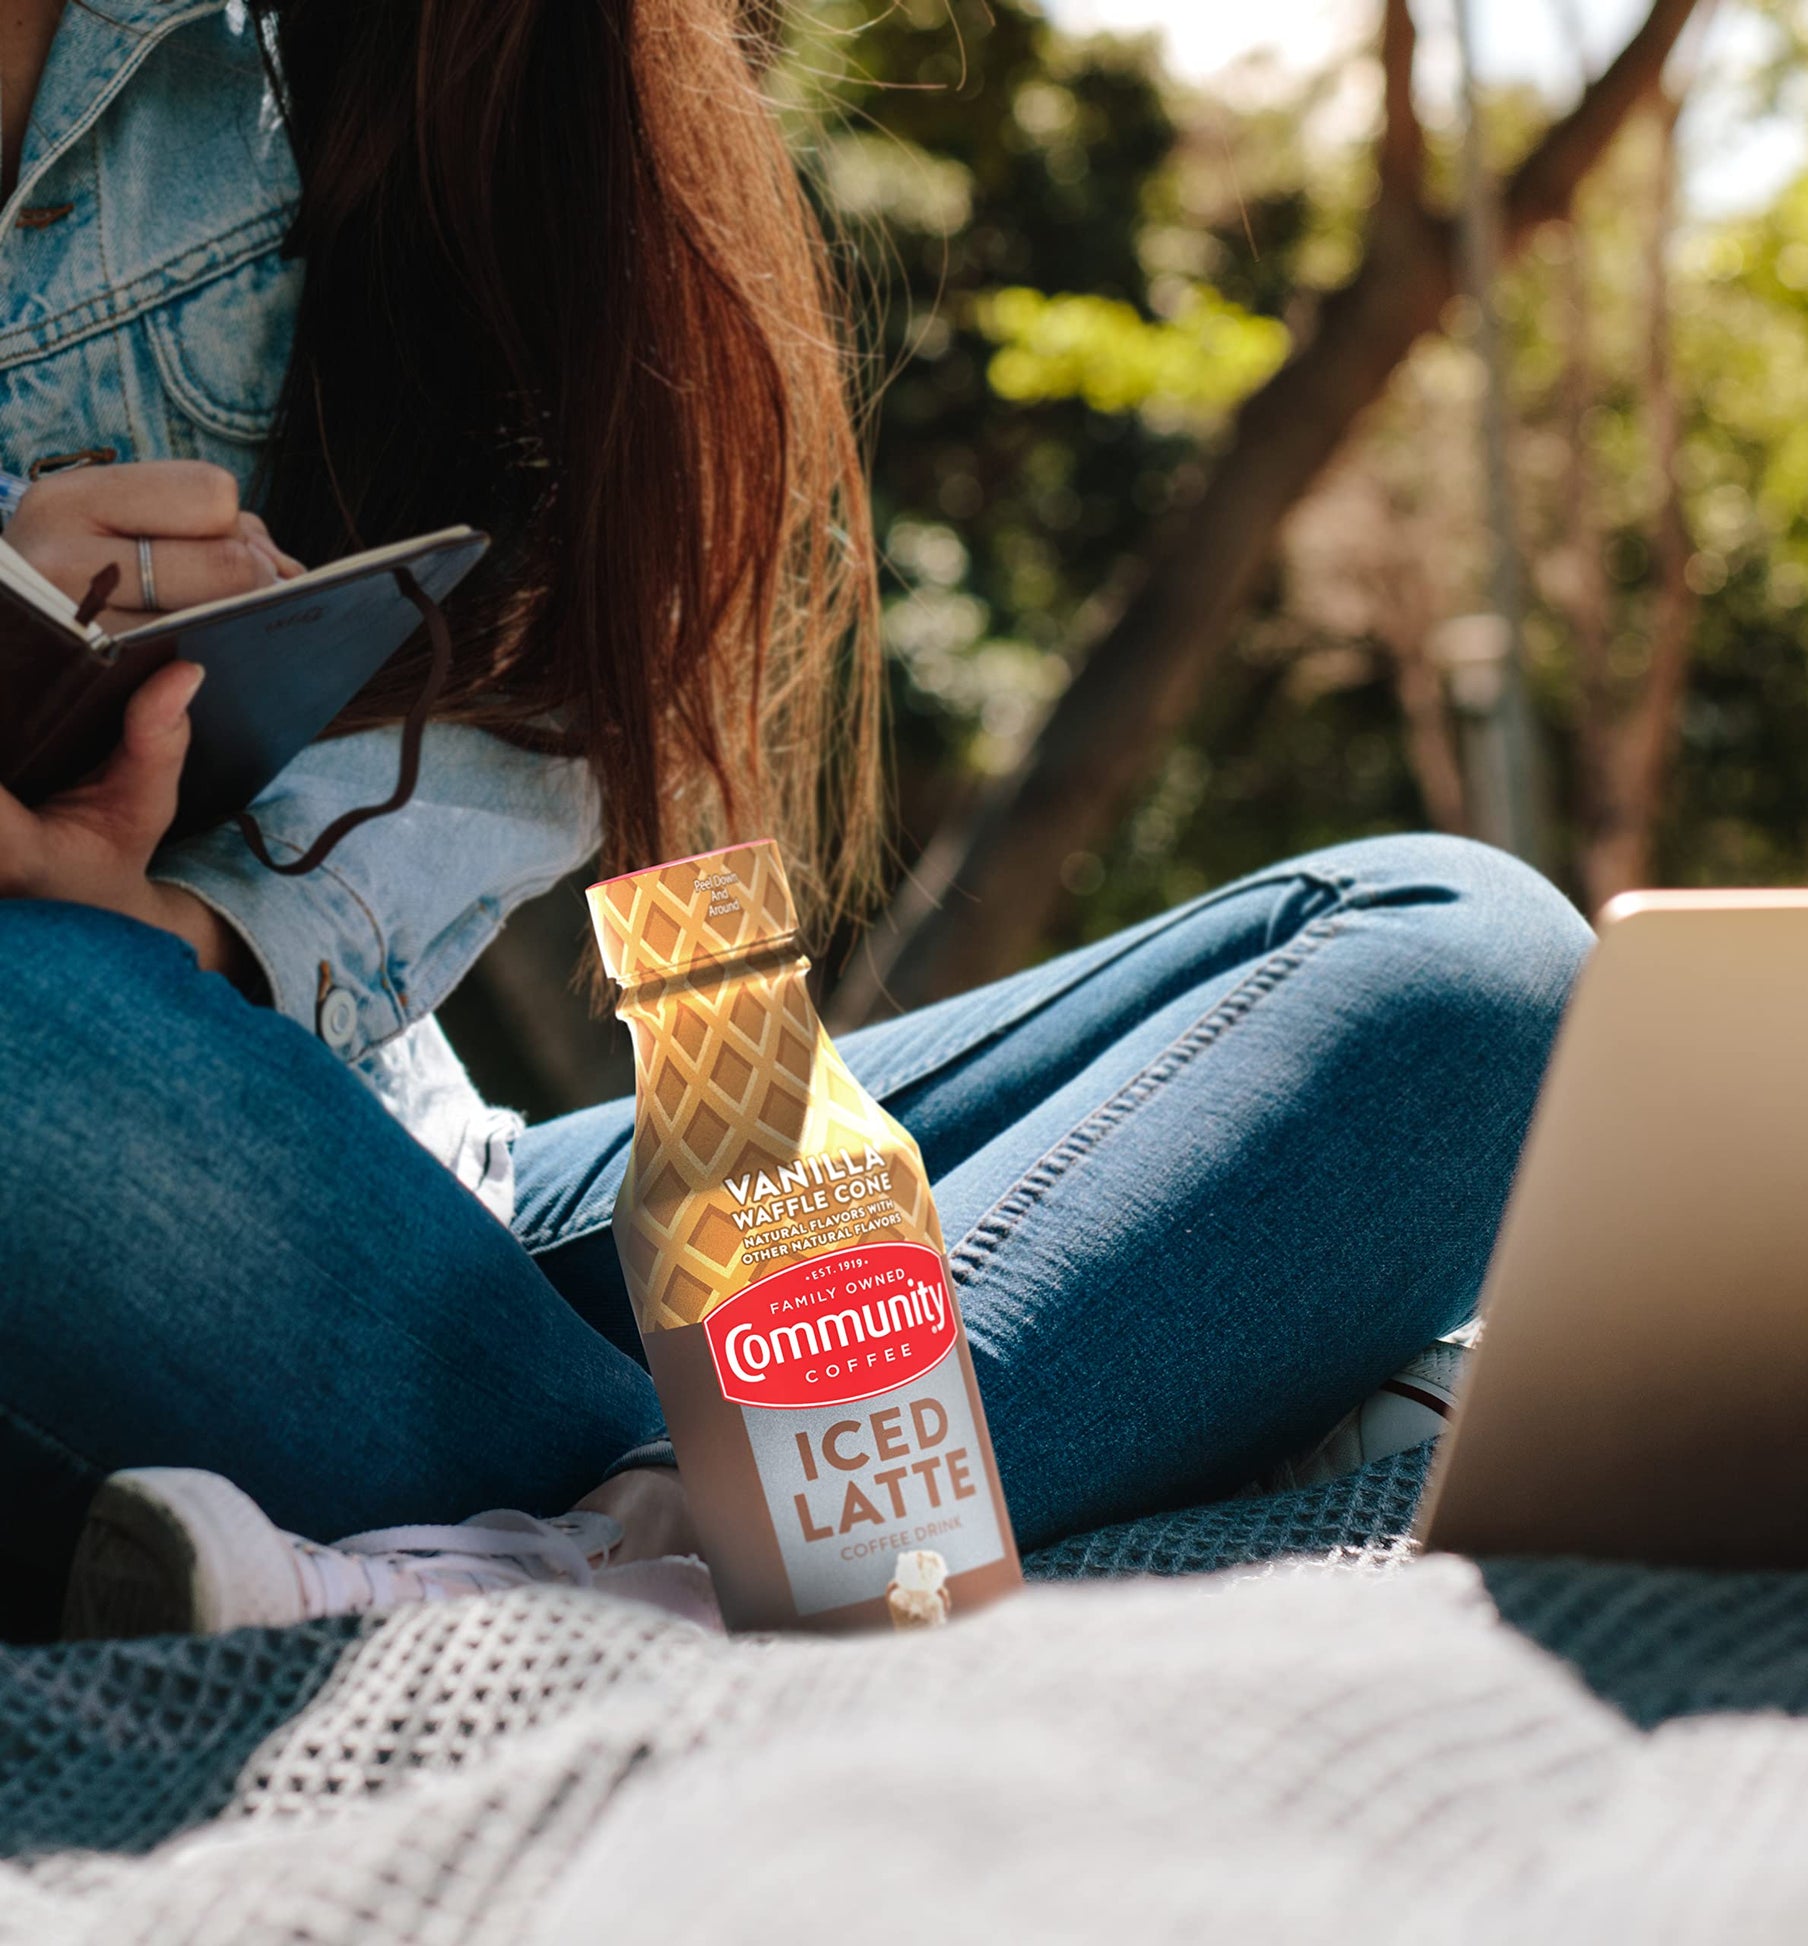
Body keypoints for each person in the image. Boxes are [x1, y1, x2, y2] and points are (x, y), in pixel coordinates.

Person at [0, 0, 1591, 1643]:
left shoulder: (393, 49)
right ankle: (952, 1475)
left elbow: (532, 662)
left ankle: (639, 1556)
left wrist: (199, 928)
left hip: (404, 1198)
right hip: (81, 1159)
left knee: (1466, 962)